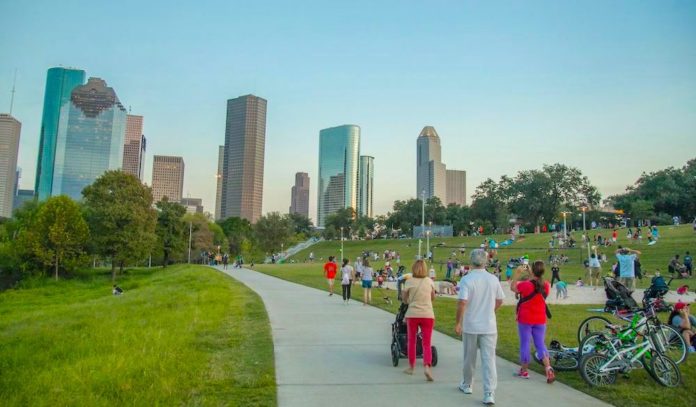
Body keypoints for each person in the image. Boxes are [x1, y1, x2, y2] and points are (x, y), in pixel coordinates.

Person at [455, 249, 505, 406]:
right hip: (489, 325)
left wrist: (458, 322)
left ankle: (467, 384)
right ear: (486, 262)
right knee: (489, 359)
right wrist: (490, 310)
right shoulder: (493, 279)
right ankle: (489, 392)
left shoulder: (467, 280)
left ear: (471, 261)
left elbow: (462, 302)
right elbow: (499, 300)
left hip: (471, 324)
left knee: (469, 357)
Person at [511, 261, 555, 383]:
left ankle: (524, 371)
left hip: (525, 318)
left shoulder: (525, 285)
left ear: (533, 271)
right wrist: (532, 273)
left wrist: (517, 274)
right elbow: (536, 283)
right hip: (540, 319)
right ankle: (548, 367)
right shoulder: (546, 285)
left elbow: (513, 287)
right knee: (540, 344)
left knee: (525, 343)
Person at [401, 259, 436, 381]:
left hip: (413, 314)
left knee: (412, 341)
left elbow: (404, 299)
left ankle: (411, 367)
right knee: (427, 342)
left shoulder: (409, 282)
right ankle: (427, 366)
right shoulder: (429, 281)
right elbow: (432, 298)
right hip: (427, 314)